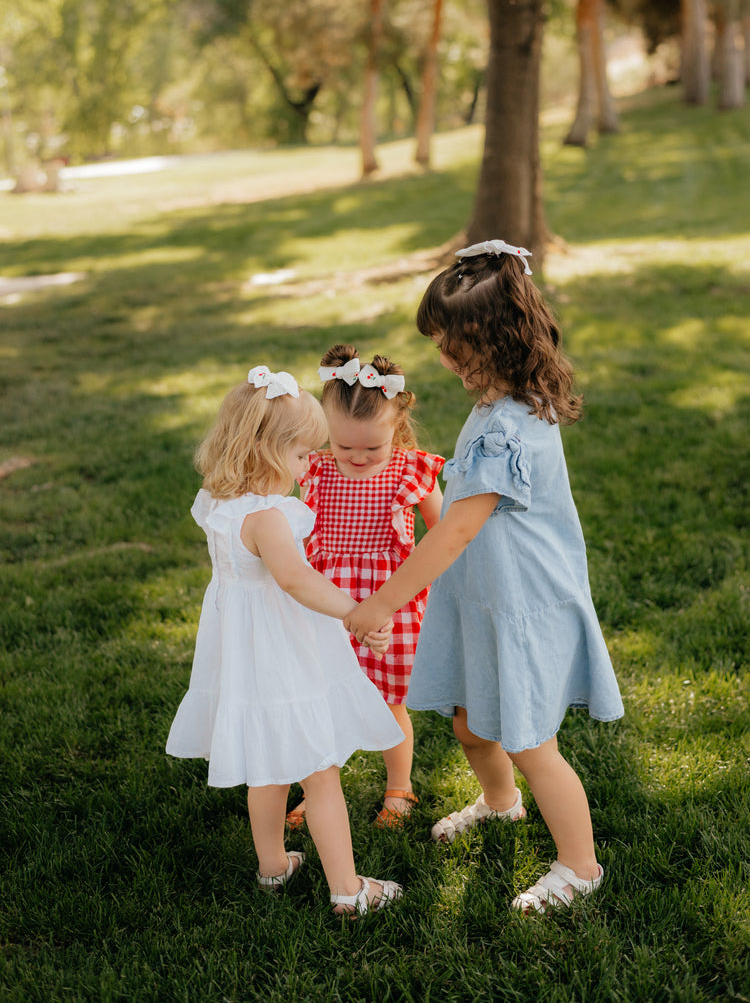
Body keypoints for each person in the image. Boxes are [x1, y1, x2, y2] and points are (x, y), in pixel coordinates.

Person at [344, 240, 624, 914]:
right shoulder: (503, 401)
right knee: (472, 725)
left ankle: (580, 866)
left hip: (524, 603)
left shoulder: (510, 427)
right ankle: (501, 805)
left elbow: (458, 528)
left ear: (492, 344)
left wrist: (384, 600)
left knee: (531, 743)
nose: (441, 358)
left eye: (450, 345)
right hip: (488, 600)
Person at [166, 366, 405, 917]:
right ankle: (349, 890)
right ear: (268, 453)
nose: (310, 465)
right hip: (284, 651)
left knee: (267, 765)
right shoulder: (269, 516)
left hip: (244, 654)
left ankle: (273, 868)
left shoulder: (215, 501)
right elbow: (297, 581)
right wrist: (357, 613)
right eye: (302, 455)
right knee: (320, 773)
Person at [285, 345, 444, 831]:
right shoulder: (313, 470)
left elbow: (443, 535)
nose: (356, 457)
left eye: (370, 449)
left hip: (390, 608)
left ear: (396, 429)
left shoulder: (408, 471)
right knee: (322, 696)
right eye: (343, 446)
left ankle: (399, 787)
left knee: (388, 700)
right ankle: (320, 789)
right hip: (326, 606)